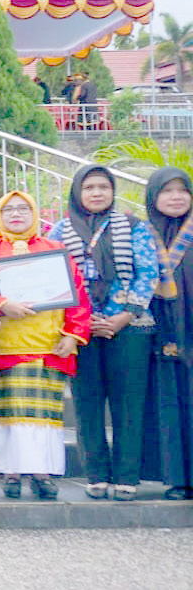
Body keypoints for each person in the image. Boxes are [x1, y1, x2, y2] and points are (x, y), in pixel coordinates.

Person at [49, 164, 159, 501]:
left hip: (129, 328)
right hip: (80, 332)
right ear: (77, 192)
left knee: (129, 403)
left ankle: (127, 477)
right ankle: (96, 474)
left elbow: (148, 271)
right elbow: (53, 277)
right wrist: (79, 321)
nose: (97, 193)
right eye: (89, 187)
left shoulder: (134, 227)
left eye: (103, 187)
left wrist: (126, 315)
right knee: (87, 403)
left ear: (113, 192)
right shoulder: (60, 230)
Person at [0, 190, 90, 500]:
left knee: (43, 416)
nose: (16, 214)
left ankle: (41, 474)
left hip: (46, 345)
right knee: (7, 415)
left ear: (33, 214)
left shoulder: (55, 250)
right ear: (0, 216)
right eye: (9, 210)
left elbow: (78, 293)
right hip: (3, 345)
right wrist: (1, 303)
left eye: (23, 209)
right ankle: (10, 474)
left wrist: (73, 334)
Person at [143, 167, 193, 499]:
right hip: (157, 332)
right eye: (167, 191)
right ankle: (177, 478)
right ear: (153, 197)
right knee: (168, 403)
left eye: (182, 190)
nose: (175, 197)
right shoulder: (142, 234)